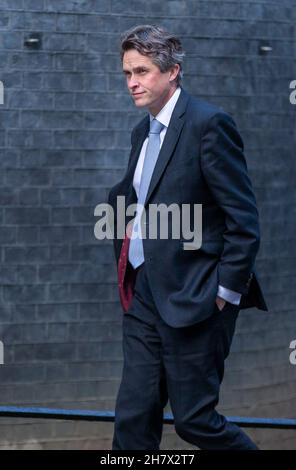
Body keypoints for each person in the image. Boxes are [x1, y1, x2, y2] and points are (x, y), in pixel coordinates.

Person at [107, 24, 268, 450]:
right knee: (133, 419)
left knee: (196, 422)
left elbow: (243, 220)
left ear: (173, 71)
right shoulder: (141, 133)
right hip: (144, 298)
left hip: (198, 300)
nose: (132, 83)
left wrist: (224, 294)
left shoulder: (208, 124)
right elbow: (135, 202)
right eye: (126, 73)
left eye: (141, 71)